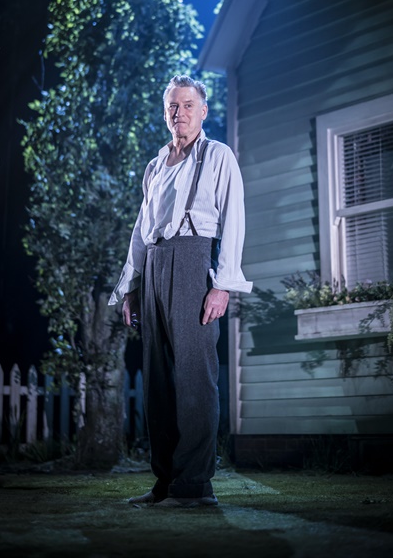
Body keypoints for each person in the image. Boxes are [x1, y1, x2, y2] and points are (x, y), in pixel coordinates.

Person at [109, 74, 252, 508]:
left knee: (194, 378)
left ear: (203, 111)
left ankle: (194, 486)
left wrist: (222, 285)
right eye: (173, 105)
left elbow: (234, 219)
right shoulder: (156, 164)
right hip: (154, 264)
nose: (180, 113)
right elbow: (142, 229)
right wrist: (131, 286)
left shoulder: (218, 155)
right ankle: (165, 482)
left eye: (188, 105)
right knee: (157, 381)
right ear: (165, 112)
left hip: (193, 261)